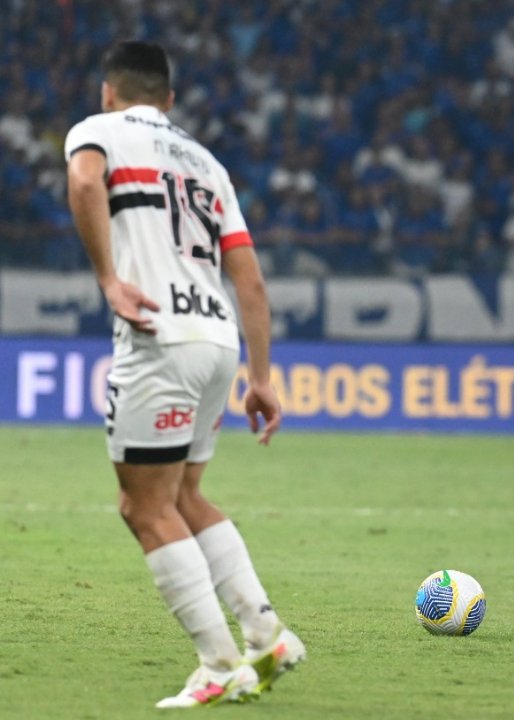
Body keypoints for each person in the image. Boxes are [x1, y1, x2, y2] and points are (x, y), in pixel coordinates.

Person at [64, 41, 305, 708]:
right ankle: (266, 635)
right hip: (218, 338)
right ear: (169, 100)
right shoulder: (206, 162)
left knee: (142, 505)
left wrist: (110, 279)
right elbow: (248, 277)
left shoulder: (97, 131)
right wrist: (261, 377)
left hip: (157, 337)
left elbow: (84, 183)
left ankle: (219, 662)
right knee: (185, 496)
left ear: (109, 92)